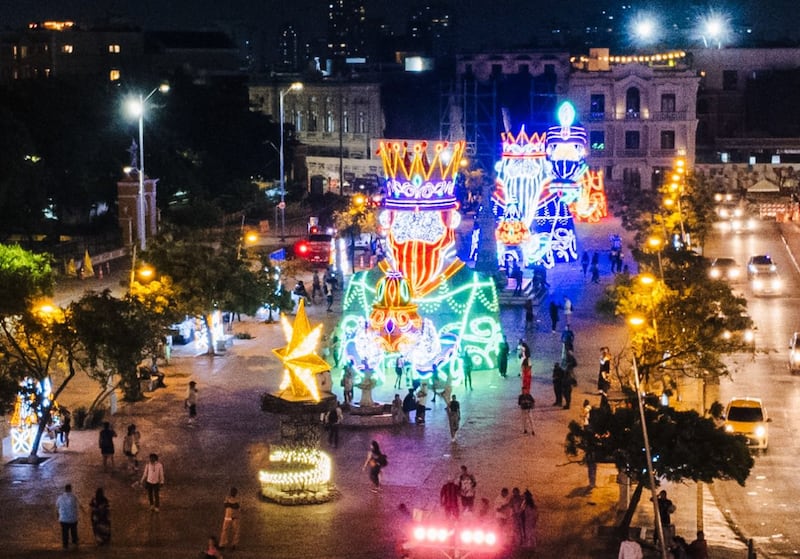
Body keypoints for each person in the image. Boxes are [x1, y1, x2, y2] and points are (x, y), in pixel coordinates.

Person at [56, 484, 79, 550]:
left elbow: (57, 507)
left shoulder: (60, 497)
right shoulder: (74, 497)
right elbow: (78, 506)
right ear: (70, 489)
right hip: (73, 519)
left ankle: (65, 546)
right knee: (74, 531)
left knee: (64, 533)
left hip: (63, 519)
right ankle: (75, 543)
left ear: (65, 489)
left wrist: (58, 516)